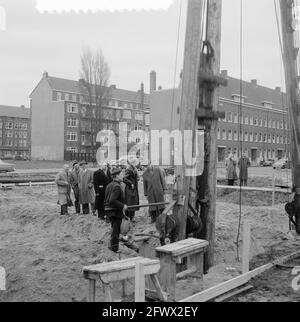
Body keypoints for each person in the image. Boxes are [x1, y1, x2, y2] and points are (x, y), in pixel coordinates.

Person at [104, 168, 128, 253]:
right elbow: (112, 200)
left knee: (114, 228)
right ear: (117, 176)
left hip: (109, 210)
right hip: (114, 211)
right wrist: (123, 206)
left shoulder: (110, 184)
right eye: (121, 174)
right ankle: (114, 248)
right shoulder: (117, 186)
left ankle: (113, 245)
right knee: (116, 230)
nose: (123, 176)